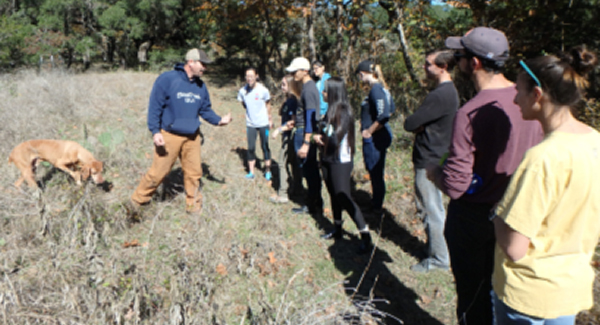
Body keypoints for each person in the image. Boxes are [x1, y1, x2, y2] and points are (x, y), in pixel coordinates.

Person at [426, 27, 544, 325]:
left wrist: (434, 172)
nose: (457, 61)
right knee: (505, 296)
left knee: (473, 297)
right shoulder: (531, 101)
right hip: (521, 216)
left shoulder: (471, 112)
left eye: (460, 56)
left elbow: (455, 186)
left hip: (475, 220)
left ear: (474, 63)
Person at [491, 47, 600, 324]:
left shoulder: (542, 158)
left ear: (537, 95)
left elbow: (515, 248)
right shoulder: (594, 142)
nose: (515, 98)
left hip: (528, 296)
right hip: (569, 291)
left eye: (519, 90)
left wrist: (497, 215)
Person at [130, 48, 232, 213]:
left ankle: (194, 208)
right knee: (158, 173)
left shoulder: (201, 86)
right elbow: (155, 107)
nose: (205, 68)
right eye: (202, 64)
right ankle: (136, 202)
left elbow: (205, 110)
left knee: (194, 174)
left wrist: (219, 120)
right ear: (190, 62)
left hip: (192, 137)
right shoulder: (167, 79)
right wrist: (155, 131)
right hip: (169, 135)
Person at [404, 49, 459, 273]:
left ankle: (439, 259)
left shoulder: (440, 95)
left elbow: (410, 123)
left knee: (430, 209)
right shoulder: (447, 92)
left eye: (428, 64)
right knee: (434, 208)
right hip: (437, 155)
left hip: (429, 160)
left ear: (442, 67)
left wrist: (418, 125)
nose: (425, 68)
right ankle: (440, 251)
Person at [314, 77, 372, 253]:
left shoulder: (344, 112)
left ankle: (365, 235)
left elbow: (333, 138)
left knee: (344, 196)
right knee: (333, 194)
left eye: (325, 90)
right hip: (327, 158)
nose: (322, 93)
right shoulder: (330, 111)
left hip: (340, 161)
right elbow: (324, 129)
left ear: (332, 93)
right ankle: (337, 229)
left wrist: (320, 135)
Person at [355, 60, 394, 216]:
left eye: (359, 76)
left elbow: (384, 114)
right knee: (375, 171)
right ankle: (375, 202)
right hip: (378, 136)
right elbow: (391, 110)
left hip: (376, 138)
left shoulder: (376, 90)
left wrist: (370, 130)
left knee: (375, 171)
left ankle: (377, 206)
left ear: (362, 74)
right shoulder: (383, 89)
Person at [286, 57, 323, 215]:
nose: (293, 73)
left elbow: (310, 117)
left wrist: (306, 142)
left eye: (295, 71)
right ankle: (314, 202)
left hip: (304, 133)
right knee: (310, 169)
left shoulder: (308, 89)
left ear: (305, 71)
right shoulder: (309, 87)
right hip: (303, 130)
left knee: (309, 170)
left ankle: (313, 204)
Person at [270, 74, 303, 203]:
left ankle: (283, 193)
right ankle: (297, 190)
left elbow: (293, 122)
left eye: (284, 84)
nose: (281, 87)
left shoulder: (294, 101)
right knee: (294, 164)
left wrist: (278, 130)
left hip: (290, 137)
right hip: (287, 136)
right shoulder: (288, 100)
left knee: (282, 163)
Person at [237, 67, 272, 180]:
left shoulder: (263, 90)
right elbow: (243, 103)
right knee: (251, 148)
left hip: (263, 123)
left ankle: (267, 170)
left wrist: (269, 119)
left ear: (256, 76)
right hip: (251, 123)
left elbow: (268, 104)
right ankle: (251, 172)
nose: (249, 78)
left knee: (265, 146)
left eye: (251, 76)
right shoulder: (242, 91)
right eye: (247, 76)